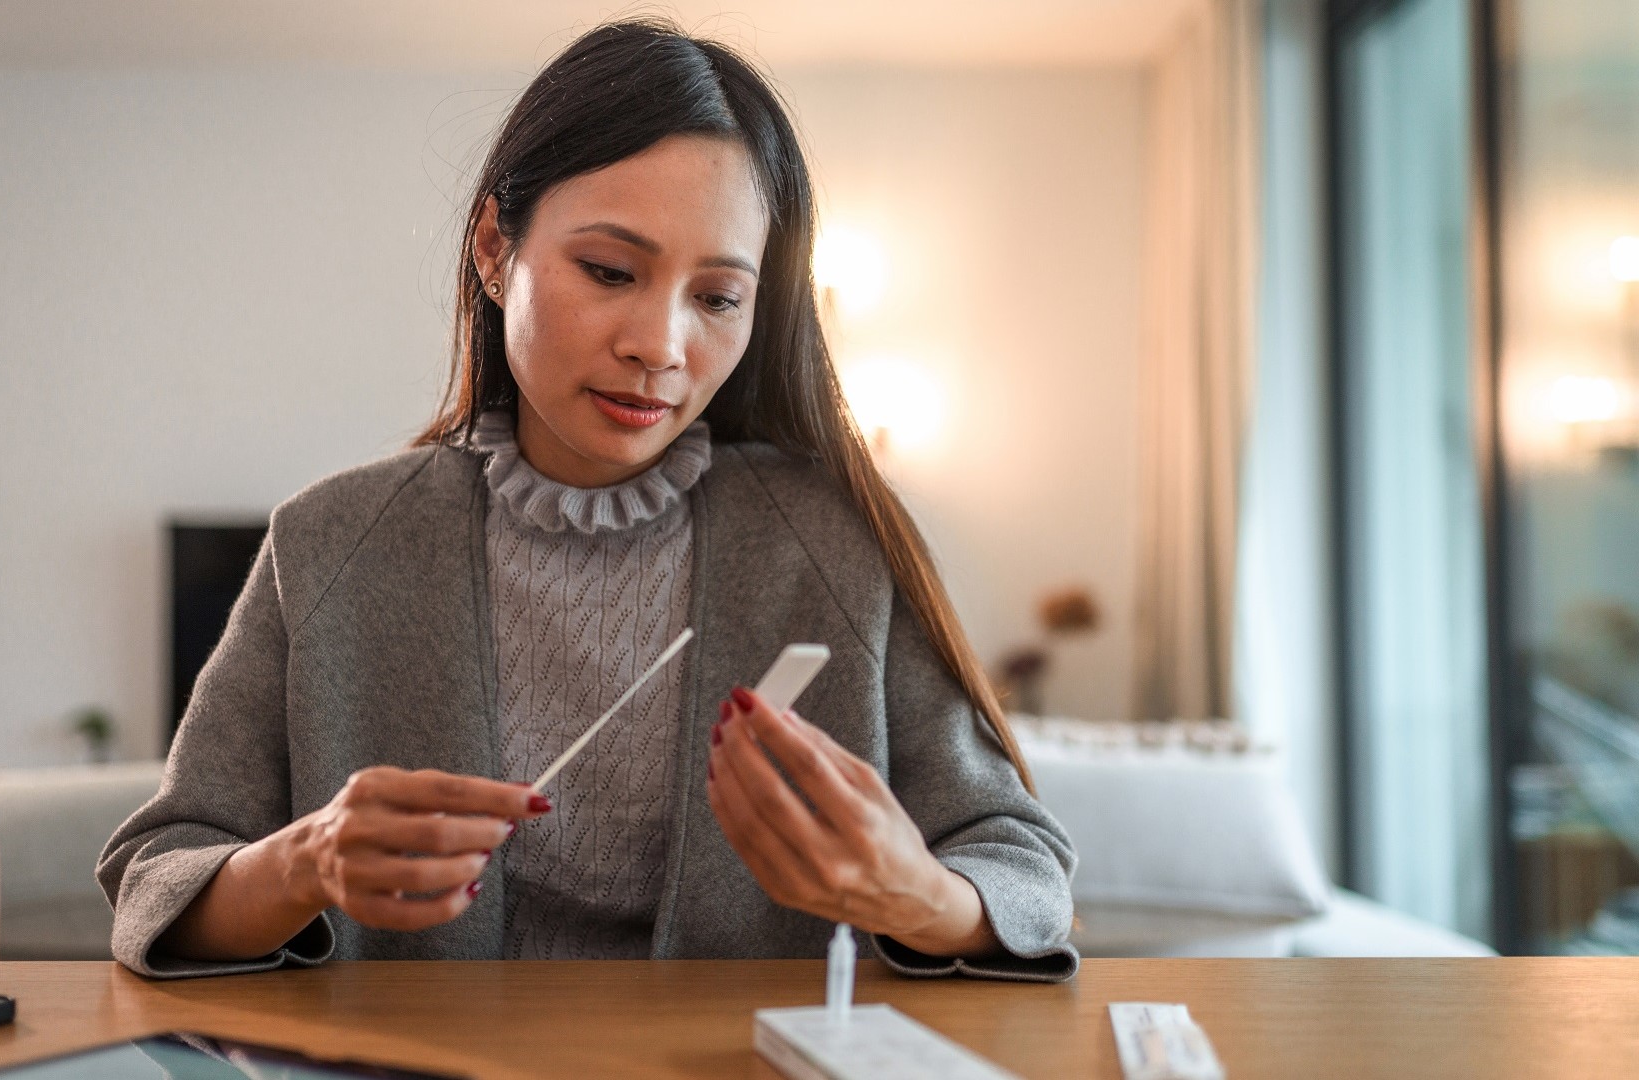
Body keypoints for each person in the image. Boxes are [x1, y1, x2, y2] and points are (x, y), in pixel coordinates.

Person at [98, 17, 1078, 982]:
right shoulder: (330, 543)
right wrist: (300, 863)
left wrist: (917, 895)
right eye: (610, 271)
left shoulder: (834, 544)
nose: (659, 344)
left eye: (718, 298)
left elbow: (1017, 860)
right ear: (493, 249)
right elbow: (156, 877)